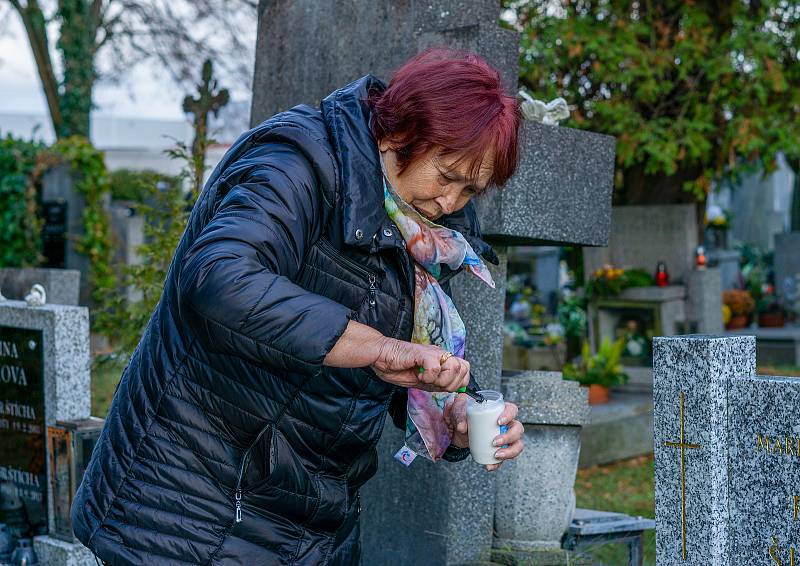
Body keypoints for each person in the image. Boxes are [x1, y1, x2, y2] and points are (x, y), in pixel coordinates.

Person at [72, 48, 525, 565]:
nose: (451, 203)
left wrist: (457, 412)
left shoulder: (425, 233)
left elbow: (407, 352)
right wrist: (374, 348)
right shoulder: (297, 160)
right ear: (401, 133)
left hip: (311, 524)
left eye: (471, 189)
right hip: (190, 505)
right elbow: (218, 277)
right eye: (446, 176)